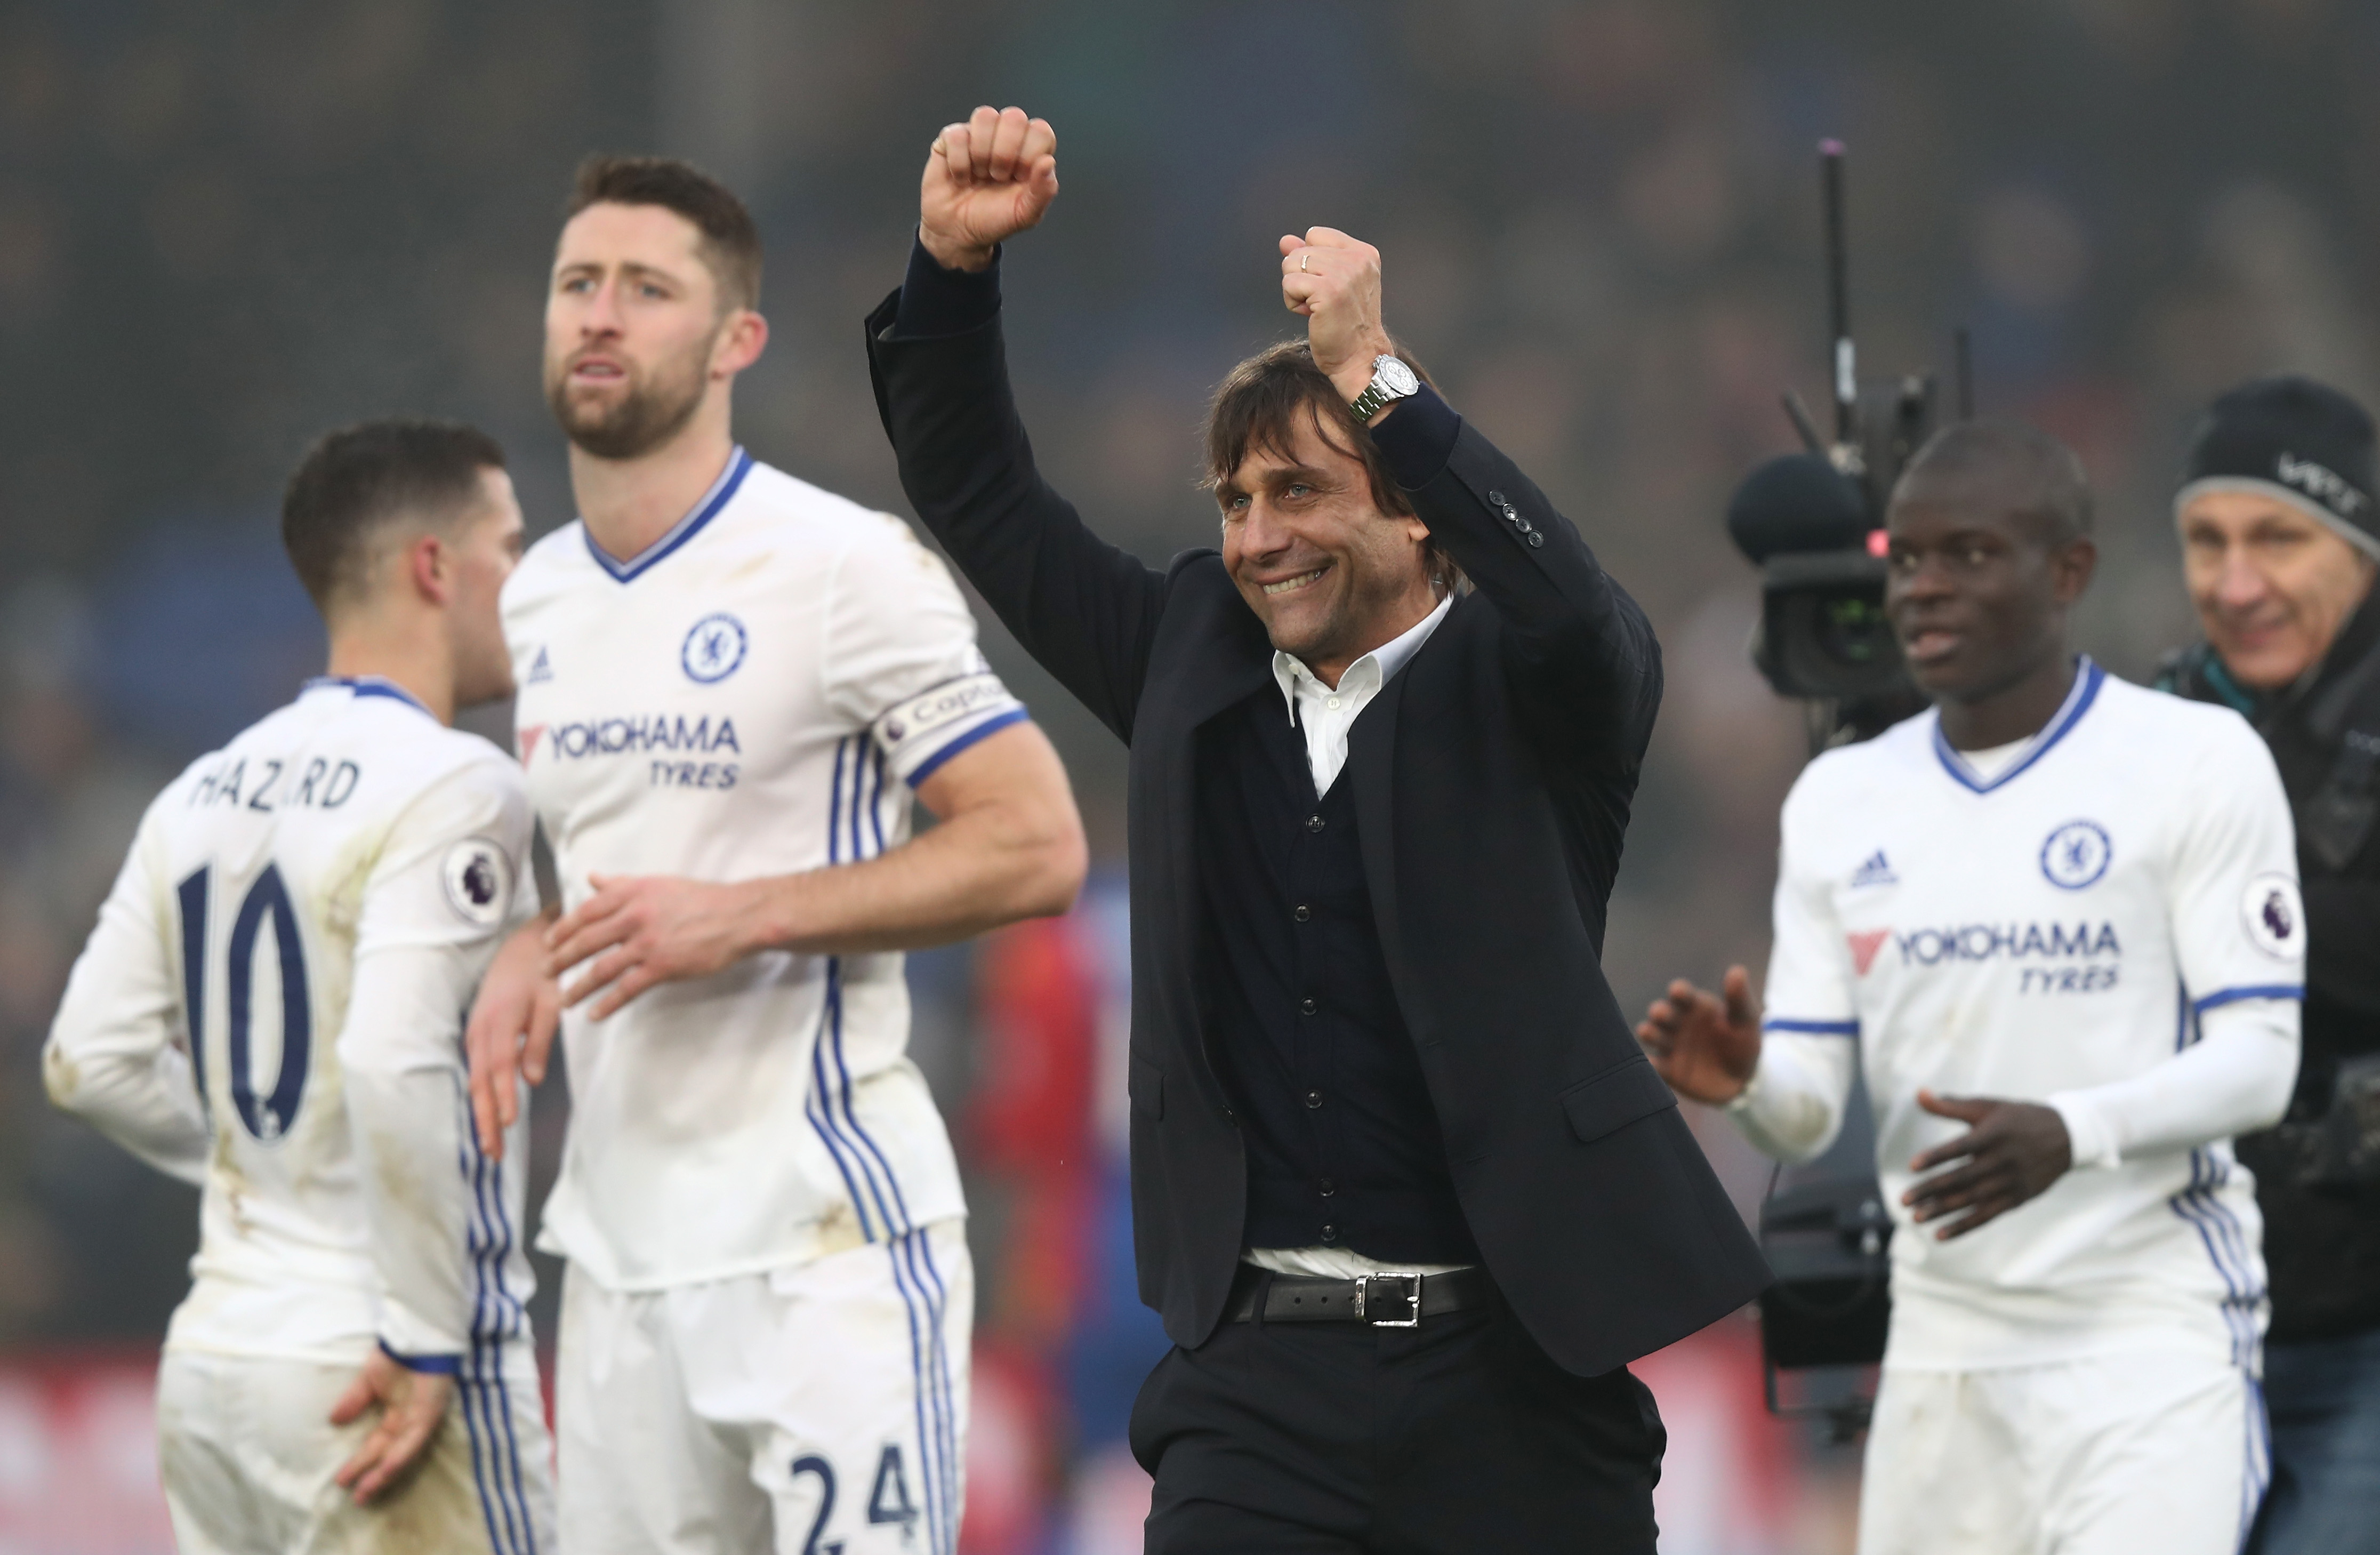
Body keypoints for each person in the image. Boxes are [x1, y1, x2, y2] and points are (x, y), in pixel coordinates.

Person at [863, 106, 1770, 1553]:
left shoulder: (1540, 685)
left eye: (1299, 488)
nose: (1255, 533)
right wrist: (951, 275)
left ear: (1418, 518)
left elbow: (1573, 602)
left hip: (1517, 1378)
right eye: (1233, 499)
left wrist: (1373, 371)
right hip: (1260, 1386)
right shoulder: (1187, 652)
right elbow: (981, 493)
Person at [462, 156, 1087, 1555]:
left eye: (647, 288)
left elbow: (1034, 839)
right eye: (578, 285)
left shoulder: (843, 565)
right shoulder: (540, 596)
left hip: (824, 1250)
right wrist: (526, 938)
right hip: (616, 1271)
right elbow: (600, 848)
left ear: (737, 337)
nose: (602, 316)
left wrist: (741, 918)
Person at [1639, 420, 2305, 1555]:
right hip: (1943, 1353)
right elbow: (1807, 1102)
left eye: (1972, 556)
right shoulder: (1844, 801)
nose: (1926, 590)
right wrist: (1749, 1081)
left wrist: (2073, 1131)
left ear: (2069, 572)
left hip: (2146, 1339)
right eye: (1908, 560)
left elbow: (2260, 1061)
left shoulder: (2194, 762)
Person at [44, 421, 553, 1551]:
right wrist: (428, 1334)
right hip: (381, 1359)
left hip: (220, 1365)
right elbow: (389, 1055)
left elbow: (87, 1059)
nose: (529, 583)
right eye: (510, 549)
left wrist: (263, 1160)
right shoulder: (461, 782)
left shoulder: (199, 791)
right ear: (434, 566)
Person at [2156, 375, 2380, 1555]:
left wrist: (2197, 913)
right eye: (2208, 540)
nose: (2236, 583)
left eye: (2279, 538)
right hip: (2188, 1324)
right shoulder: (2148, 723)